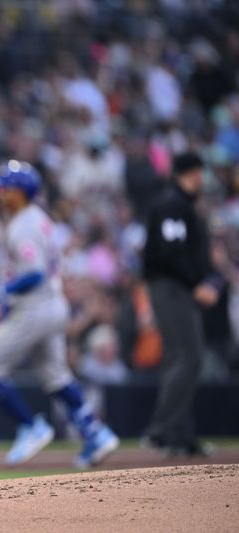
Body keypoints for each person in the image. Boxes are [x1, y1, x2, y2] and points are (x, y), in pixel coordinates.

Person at [0, 161, 120, 468]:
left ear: (19, 192)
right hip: (54, 305)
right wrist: (4, 281)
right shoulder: (39, 218)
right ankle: (96, 433)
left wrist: (0, 290)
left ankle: (31, 426)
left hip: (34, 308)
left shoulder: (23, 224)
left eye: (5, 188)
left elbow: (34, 273)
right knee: (56, 377)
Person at [142, 152, 220, 456]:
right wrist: (197, 283)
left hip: (177, 287)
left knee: (183, 358)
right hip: (170, 286)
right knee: (188, 356)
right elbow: (171, 253)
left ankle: (179, 434)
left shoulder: (181, 205)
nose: (198, 179)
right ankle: (162, 431)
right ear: (180, 175)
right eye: (193, 174)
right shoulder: (172, 205)